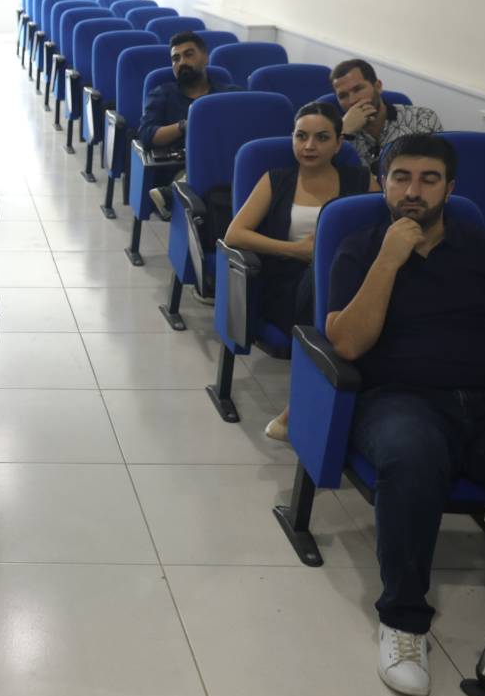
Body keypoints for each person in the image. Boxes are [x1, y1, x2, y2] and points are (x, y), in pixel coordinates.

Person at [324, 134, 485, 696]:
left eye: (428, 179)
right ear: (383, 185)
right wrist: (389, 260)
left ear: (450, 188)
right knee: (411, 459)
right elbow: (349, 343)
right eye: (401, 178)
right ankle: (403, 623)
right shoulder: (359, 249)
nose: (413, 191)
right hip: (399, 399)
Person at [222, 101, 377, 441]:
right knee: (323, 283)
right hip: (288, 286)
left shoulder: (360, 180)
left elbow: (384, 229)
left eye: (321, 138)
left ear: (339, 143)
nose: (309, 146)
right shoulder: (276, 180)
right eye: (301, 136)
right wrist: (295, 250)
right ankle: (302, 404)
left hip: (350, 283)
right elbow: (235, 234)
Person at [139, 31, 243, 221]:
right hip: (179, 165)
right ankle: (178, 189)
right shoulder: (162, 94)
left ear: (205, 58)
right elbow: (147, 135)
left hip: (229, 164)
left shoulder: (230, 95)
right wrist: (184, 126)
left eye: (189, 55)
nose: (182, 63)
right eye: (175, 59)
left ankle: (174, 194)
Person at [331, 58, 443, 170]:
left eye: (358, 89)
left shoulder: (422, 118)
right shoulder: (332, 133)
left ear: (378, 87)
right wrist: (343, 132)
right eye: (343, 96)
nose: (352, 100)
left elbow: (435, 169)